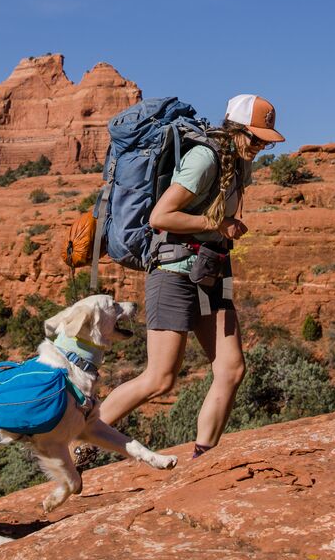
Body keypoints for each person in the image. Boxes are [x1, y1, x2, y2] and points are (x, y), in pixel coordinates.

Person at [97, 94, 284, 457]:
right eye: (257, 138)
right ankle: (84, 435)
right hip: (175, 271)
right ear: (236, 130)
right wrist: (218, 222)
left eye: (266, 139)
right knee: (160, 378)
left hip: (212, 269)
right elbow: (160, 217)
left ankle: (203, 459)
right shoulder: (205, 158)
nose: (262, 146)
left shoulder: (240, 162)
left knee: (231, 369)